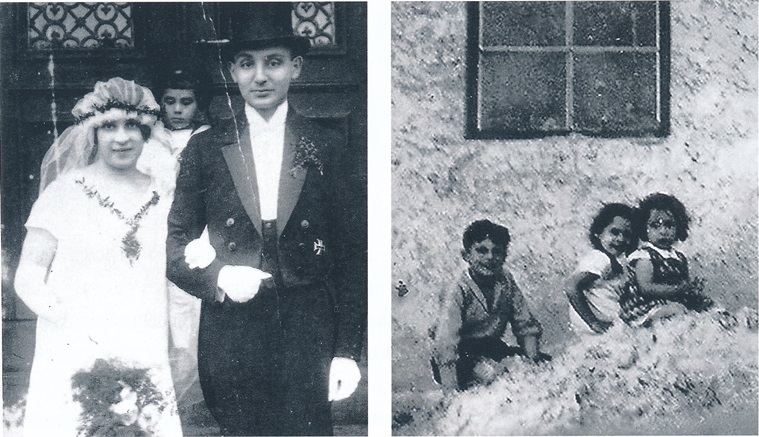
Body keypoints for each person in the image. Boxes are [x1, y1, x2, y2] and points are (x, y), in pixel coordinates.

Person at [165, 3, 364, 435]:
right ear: (233, 72)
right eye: (246, 64)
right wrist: (219, 277)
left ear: (295, 67)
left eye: (273, 62)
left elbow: (353, 256)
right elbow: (176, 248)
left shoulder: (327, 145)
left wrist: (347, 350)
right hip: (232, 331)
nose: (260, 76)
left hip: (307, 325)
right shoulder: (206, 149)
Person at [14, 77, 182, 435]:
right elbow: (29, 273)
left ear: (147, 132)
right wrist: (66, 317)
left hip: (144, 336)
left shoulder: (166, 196)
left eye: (132, 126)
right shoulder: (63, 194)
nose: (121, 138)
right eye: (109, 126)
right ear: (92, 133)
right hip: (76, 340)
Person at [429, 219, 549, 393]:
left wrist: (533, 362)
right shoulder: (457, 288)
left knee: (542, 367)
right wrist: (450, 393)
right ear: (466, 255)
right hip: (458, 356)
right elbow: (446, 342)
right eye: (481, 251)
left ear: (505, 256)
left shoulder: (506, 279)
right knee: (492, 376)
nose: (490, 258)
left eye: (497, 252)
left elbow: (524, 324)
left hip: (490, 347)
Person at [157, 66, 213, 415]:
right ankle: (161, 391)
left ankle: (193, 383)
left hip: (194, 228)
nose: (177, 109)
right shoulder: (148, 139)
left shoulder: (208, 138)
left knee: (188, 306)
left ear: (199, 105)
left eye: (186, 102)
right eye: (170, 101)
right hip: (154, 225)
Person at [619, 193, 713, 326]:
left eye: (669, 225)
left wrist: (691, 288)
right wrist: (678, 289)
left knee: (707, 306)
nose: (663, 231)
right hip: (644, 308)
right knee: (677, 311)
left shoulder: (679, 257)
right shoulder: (644, 256)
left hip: (670, 302)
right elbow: (646, 288)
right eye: (655, 225)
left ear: (679, 227)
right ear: (644, 228)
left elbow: (683, 284)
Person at [565, 203, 637, 334]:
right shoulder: (599, 258)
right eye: (614, 232)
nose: (620, 239)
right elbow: (571, 286)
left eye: (627, 235)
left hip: (600, 328)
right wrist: (593, 322)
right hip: (599, 329)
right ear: (599, 233)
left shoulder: (611, 261)